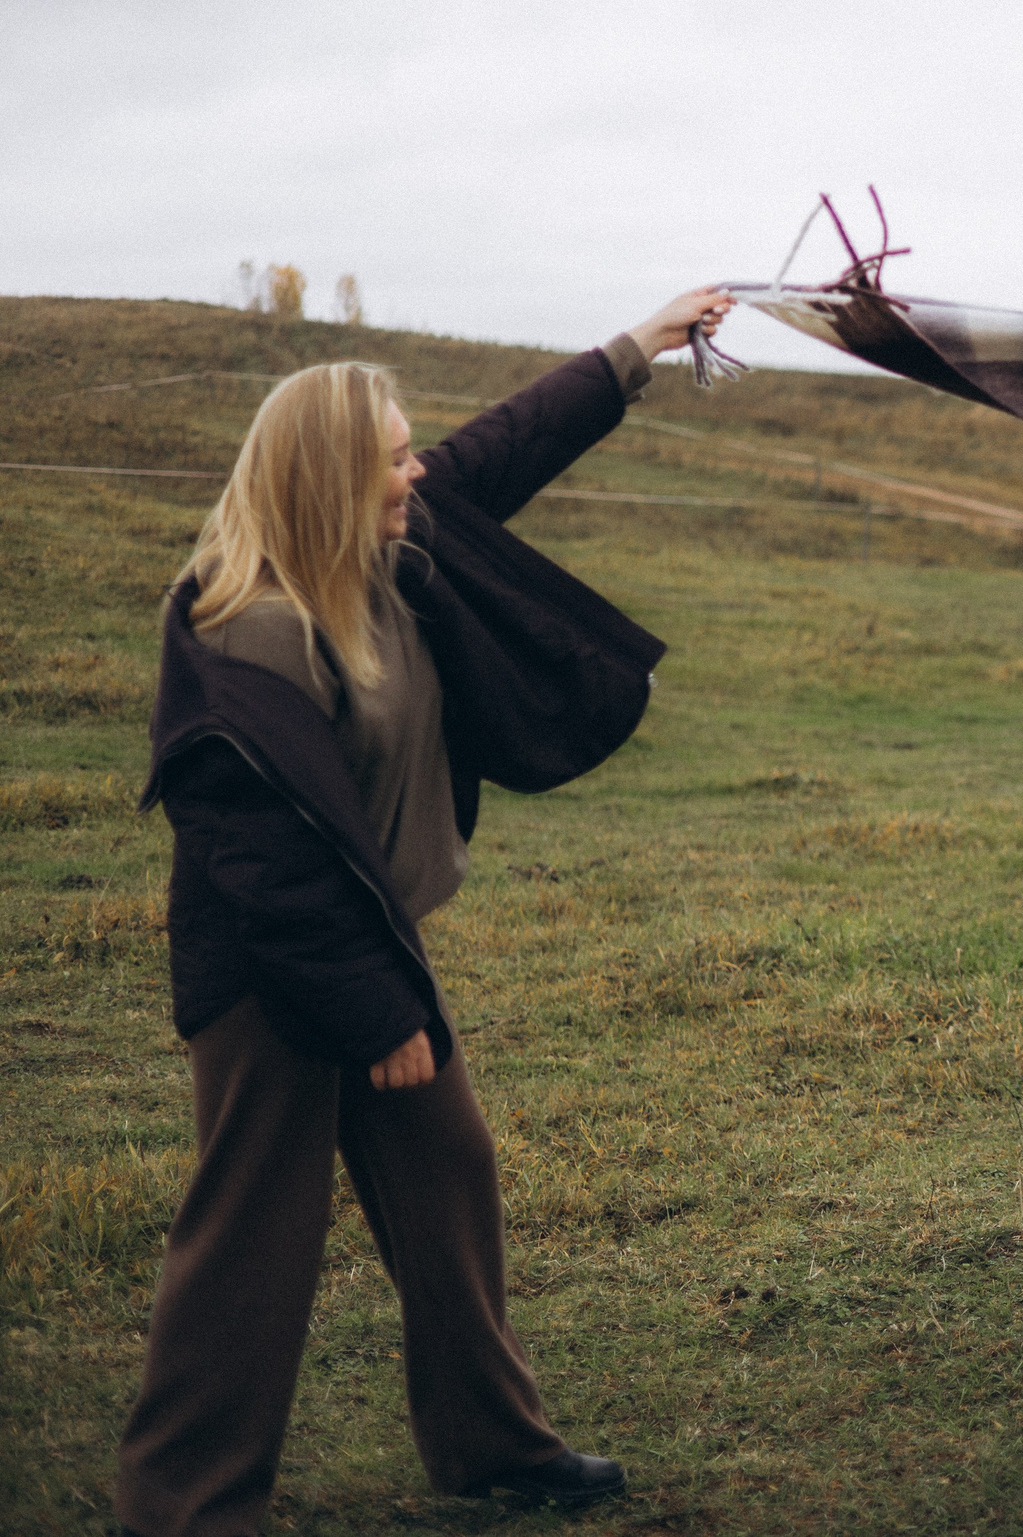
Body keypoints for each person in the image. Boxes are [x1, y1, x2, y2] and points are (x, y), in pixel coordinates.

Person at [116, 288, 735, 1537]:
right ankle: (179, 1505)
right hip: (273, 979)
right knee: (253, 1232)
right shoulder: (251, 635)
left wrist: (639, 346)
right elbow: (267, 871)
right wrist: (375, 1008)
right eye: (395, 455)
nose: (415, 471)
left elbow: (504, 444)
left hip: (372, 951)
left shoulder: (379, 560)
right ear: (332, 476)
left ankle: (491, 1446)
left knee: (446, 1171)